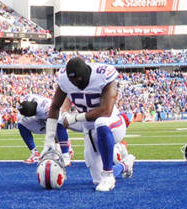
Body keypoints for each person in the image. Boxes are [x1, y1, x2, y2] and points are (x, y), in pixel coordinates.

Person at [43, 56, 135, 192]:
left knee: (100, 122)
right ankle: (125, 164)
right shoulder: (64, 79)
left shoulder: (103, 75)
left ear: (86, 73)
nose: (76, 83)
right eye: (72, 80)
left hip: (112, 122)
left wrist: (75, 118)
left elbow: (106, 111)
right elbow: (55, 107)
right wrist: (49, 141)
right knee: (98, 179)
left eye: (78, 80)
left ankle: (110, 171)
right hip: (88, 126)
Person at [17, 93, 73, 164]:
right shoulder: (27, 99)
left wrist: (65, 152)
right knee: (21, 123)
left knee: (56, 127)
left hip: (54, 117)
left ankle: (66, 151)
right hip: (40, 116)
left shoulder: (47, 108)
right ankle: (35, 154)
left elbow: (60, 124)